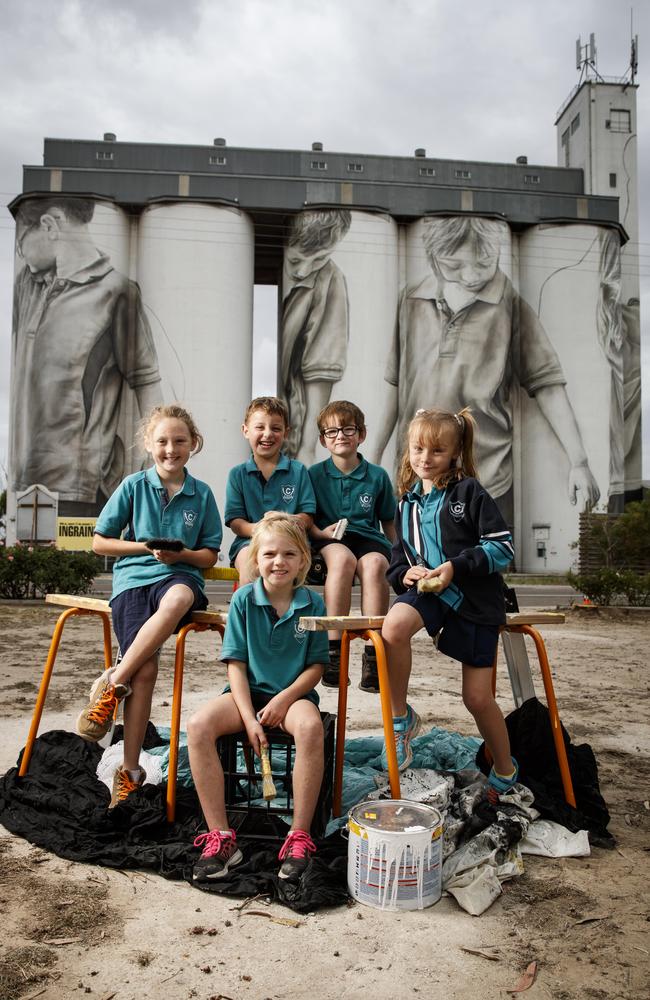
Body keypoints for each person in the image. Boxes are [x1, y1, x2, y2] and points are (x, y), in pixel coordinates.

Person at [372, 216, 599, 526]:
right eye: (455, 265)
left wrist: (580, 461)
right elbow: (394, 387)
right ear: (434, 256)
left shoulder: (510, 306)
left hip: (487, 478)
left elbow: (548, 385)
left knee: (482, 566)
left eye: (483, 262)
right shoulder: (410, 298)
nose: (470, 275)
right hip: (417, 476)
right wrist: (371, 461)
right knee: (417, 565)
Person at [76, 404, 222, 807]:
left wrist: (181, 556)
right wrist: (145, 546)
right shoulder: (132, 486)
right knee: (148, 670)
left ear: (193, 444)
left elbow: (210, 555)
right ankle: (130, 771)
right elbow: (100, 541)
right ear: (149, 444)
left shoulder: (202, 493)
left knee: (178, 597)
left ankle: (112, 681)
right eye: (162, 441)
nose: (171, 449)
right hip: (134, 582)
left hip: (179, 577)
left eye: (179, 441)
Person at [380, 407, 518, 803]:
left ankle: (506, 771)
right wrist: (402, 573)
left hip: (473, 599)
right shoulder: (405, 502)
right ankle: (401, 717)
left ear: (455, 454)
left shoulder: (469, 493)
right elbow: (397, 557)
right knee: (393, 627)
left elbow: (502, 547)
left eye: (437, 451)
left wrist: (456, 567)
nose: (425, 458)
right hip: (429, 593)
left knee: (476, 698)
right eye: (417, 449)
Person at [188, 512, 329, 882]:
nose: (278, 562)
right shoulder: (243, 601)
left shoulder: (313, 604)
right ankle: (221, 838)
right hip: (246, 695)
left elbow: (315, 668)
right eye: (268, 554)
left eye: (288, 554)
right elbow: (235, 665)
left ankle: (298, 836)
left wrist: (284, 700)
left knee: (312, 727)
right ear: (255, 559)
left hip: (293, 696)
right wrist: (249, 720)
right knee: (198, 725)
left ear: (303, 560)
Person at [11, 196, 162, 514]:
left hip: (80, 489)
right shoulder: (29, 284)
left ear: (50, 226)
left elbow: (146, 382)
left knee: (81, 564)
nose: (19, 253)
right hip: (26, 484)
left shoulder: (116, 292)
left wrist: (154, 459)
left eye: (21, 242)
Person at [308, 400, 396, 692]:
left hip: (368, 538)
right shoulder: (313, 475)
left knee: (374, 565)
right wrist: (320, 534)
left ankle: (373, 651)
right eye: (331, 431)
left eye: (348, 429)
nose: (340, 436)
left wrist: (399, 558)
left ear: (362, 434)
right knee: (343, 559)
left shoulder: (377, 476)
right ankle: (334, 651)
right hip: (330, 538)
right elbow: (305, 520)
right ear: (322, 439)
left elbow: (388, 524)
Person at [279, 209, 351, 466]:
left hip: (293, 430)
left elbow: (321, 371)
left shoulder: (330, 280)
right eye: (297, 261)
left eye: (318, 259)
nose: (304, 270)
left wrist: (308, 447)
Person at [224, 396, 316, 584]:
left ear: (286, 432)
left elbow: (308, 517)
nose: (267, 434)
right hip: (249, 543)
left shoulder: (298, 471)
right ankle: (249, 612)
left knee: (292, 563)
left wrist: (284, 524)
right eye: (260, 427)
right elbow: (235, 522)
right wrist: (262, 530)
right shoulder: (237, 474)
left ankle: (288, 612)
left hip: (291, 543)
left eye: (275, 428)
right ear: (245, 430)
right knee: (248, 563)